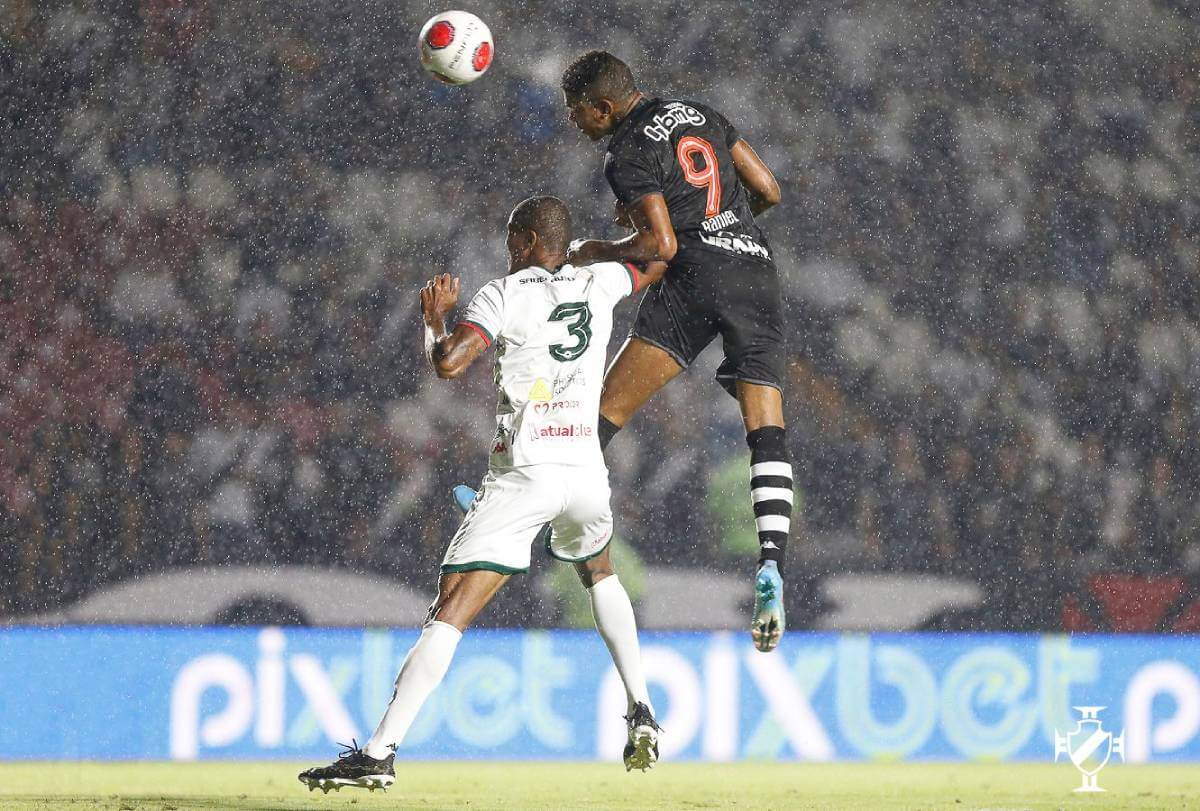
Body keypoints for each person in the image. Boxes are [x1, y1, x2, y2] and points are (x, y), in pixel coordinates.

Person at [298, 196, 665, 793]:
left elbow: (448, 364)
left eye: (509, 239)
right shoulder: (600, 282)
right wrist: (616, 243)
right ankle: (642, 707)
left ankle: (379, 752)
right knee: (599, 571)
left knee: (452, 606)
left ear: (522, 241)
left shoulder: (503, 294)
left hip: (528, 472)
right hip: (588, 469)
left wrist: (434, 320)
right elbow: (658, 257)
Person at [560, 50, 792, 652]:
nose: (577, 125)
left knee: (601, 415)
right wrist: (732, 225)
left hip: (695, 277)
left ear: (603, 106)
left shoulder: (628, 151)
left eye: (578, 113)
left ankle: (513, 506)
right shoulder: (701, 112)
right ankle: (772, 563)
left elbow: (659, 244)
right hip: (756, 272)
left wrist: (597, 250)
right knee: (766, 430)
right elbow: (767, 188)